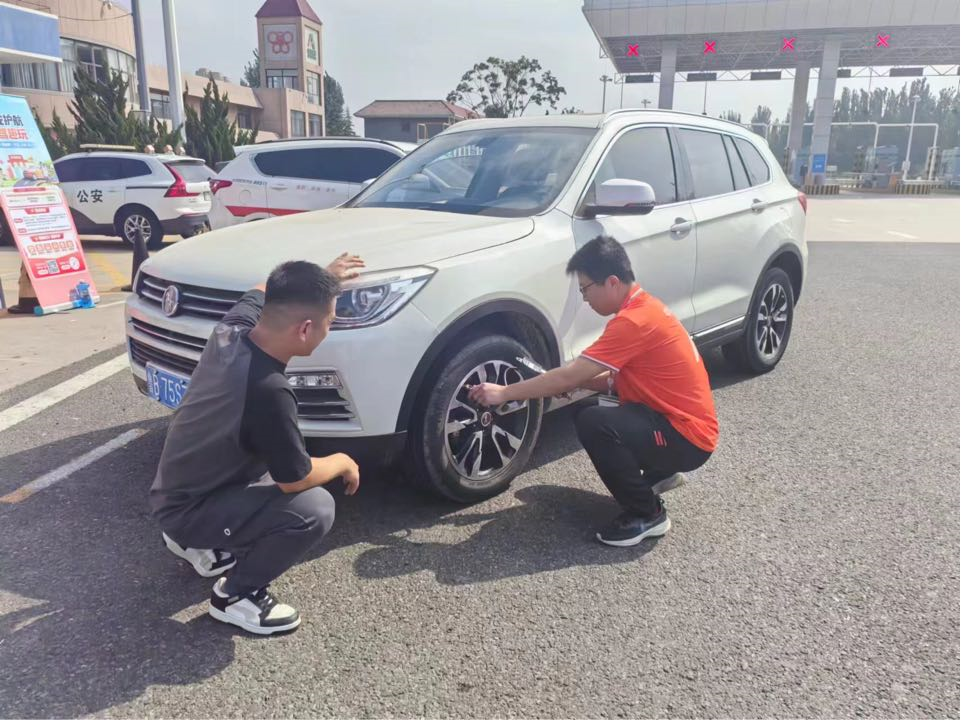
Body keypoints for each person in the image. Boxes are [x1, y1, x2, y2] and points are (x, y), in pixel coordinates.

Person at [151, 253, 365, 635]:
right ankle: (236, 596)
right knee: (314, 508)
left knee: (256, 459)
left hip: (176, 491)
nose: (329, 329)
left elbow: (260, 289)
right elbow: (295, 479)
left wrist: (322, 278)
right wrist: (343, 460)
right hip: (186, 510)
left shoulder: (232, 329)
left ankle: (192, 543)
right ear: (305, 329)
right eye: (330, 322)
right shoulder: (269, 392)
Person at [469, 236, 718, 547]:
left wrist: (504, 392)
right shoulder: (646, 307)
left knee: (595, 422)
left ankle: (647, 514)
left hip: (688, 438)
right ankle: (660, 473)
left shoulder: (633, 322)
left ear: (611, 282)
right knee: (588, 410)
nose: (584, 298)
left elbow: (569, 375)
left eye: (585, 288)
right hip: (677, 424)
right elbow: (618, 380)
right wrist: (578, 383)